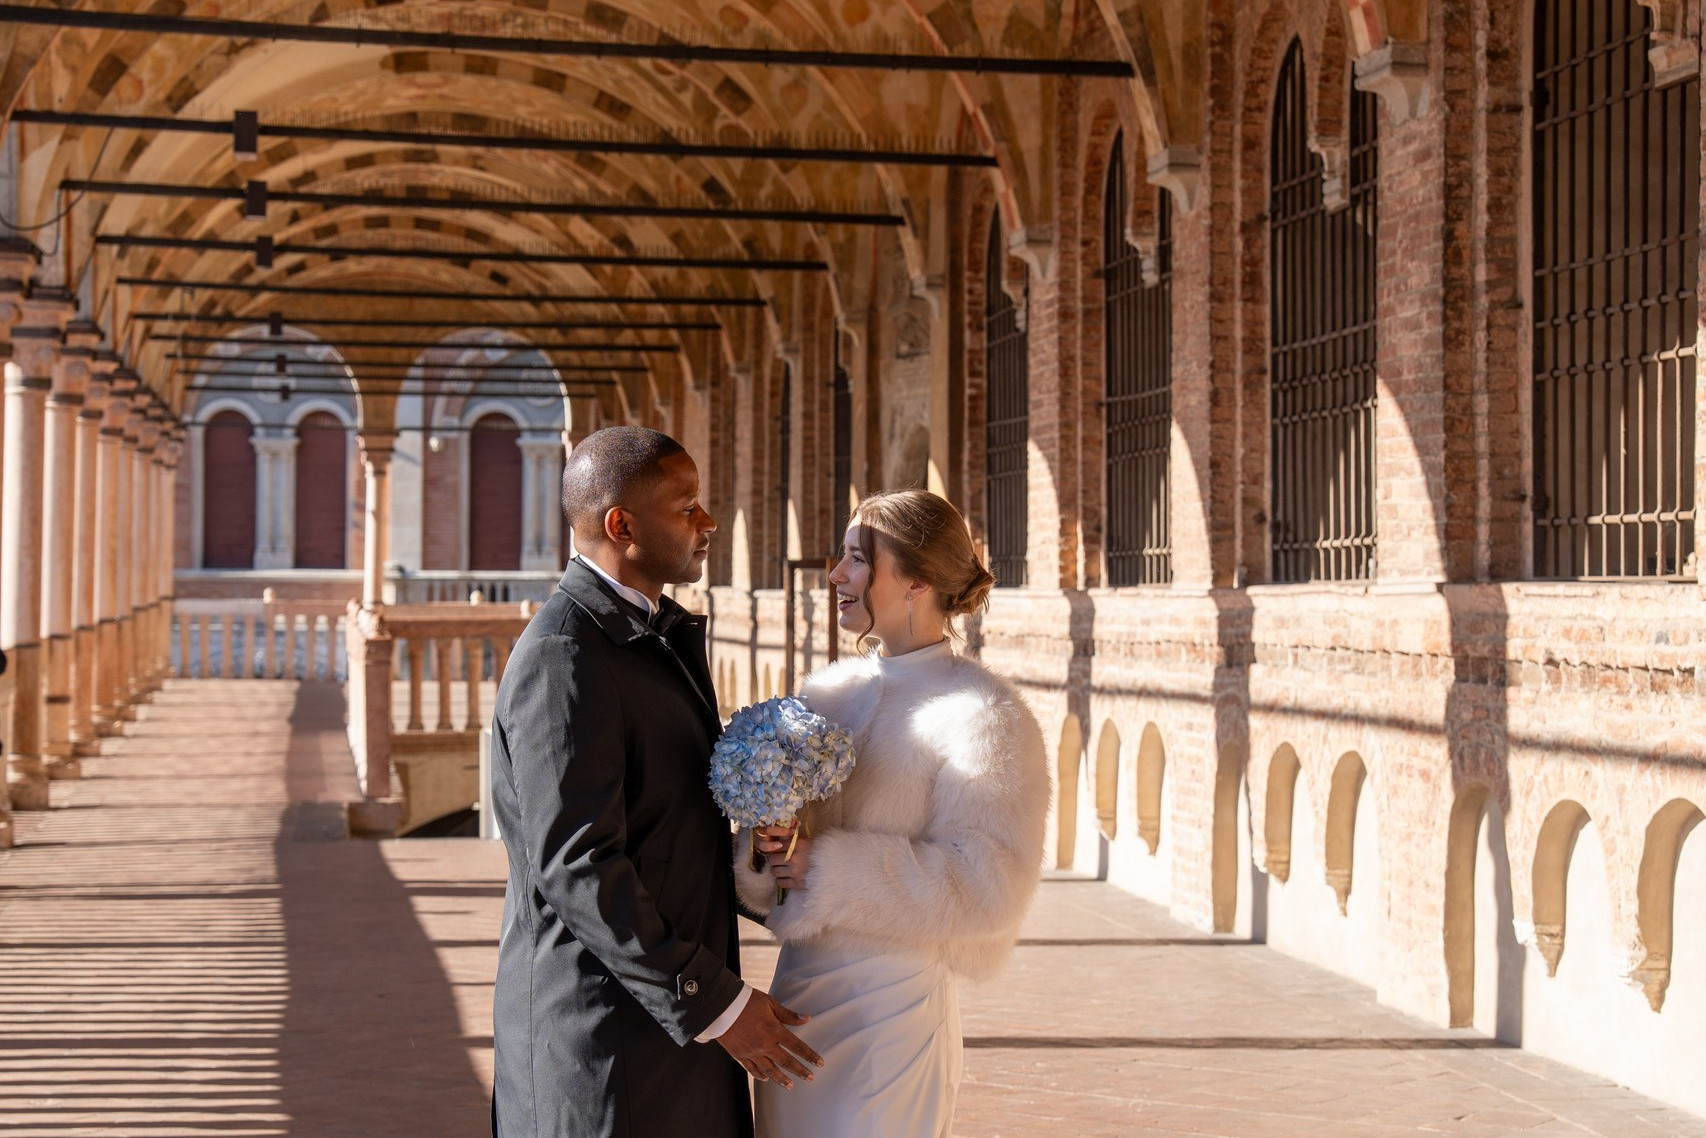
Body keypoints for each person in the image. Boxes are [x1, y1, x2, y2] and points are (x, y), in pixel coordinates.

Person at [489, 426, 823, 1138]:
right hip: (605, 1044)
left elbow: (664, 824)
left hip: (666, 1030)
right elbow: (578, 864)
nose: (707, 524)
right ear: (623, 525)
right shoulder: (566, 656)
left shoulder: (649, 638)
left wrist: (757, 846)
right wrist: (719, 1006)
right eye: (687, 507)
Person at [740, 489, 1051, 1138]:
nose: (835, 576)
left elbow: (990, 887)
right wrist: (764, 843)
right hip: (797, 992)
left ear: (916, 580)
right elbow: (767, 876)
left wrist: (823, 867)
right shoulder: (829, 692)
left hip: (892, 1008)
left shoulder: (982, 713)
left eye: (857, 559)